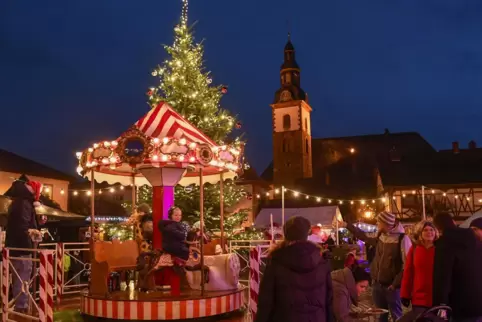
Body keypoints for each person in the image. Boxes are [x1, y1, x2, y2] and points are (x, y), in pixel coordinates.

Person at [255, 216, 333, 322]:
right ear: (306, 235)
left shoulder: (276, 261)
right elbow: (329, 300)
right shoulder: (321, 262)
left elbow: (266, 302)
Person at [341, 211, 412, 322]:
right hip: (377, 284)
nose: (377, 224)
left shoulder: (402, 239)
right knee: (379, 315)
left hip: (392, 287)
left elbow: (407, 265)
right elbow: (363, 236)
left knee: (396, 316)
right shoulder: (380, 236)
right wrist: (347, 226)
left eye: (379, 222)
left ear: (387, 224)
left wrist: (395, 285)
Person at [432, 212, 482, 322]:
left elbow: (442, 277)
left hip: (459, 303)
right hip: (478, 302)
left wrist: (440, 305)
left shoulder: (445, 244)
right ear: (453, 222)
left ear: (438, 228)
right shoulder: (475, 242)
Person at [4, 176, 43, 313]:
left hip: (13, 246)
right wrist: (33, 233)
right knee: (23, 277)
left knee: (17, 277)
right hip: (22, 247)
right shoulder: (25, 204)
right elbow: (23, 226)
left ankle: (17, 303)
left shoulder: (16, 202)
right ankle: (21, 305)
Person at [399, 221, 439, 322]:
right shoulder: (415, 249)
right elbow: (408, 273)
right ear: (420, 233)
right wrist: (405, 294)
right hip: (419, 297)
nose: (429, 232)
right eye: (425, 230)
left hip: (437, 296)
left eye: (431, 230)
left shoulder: (440, 248)